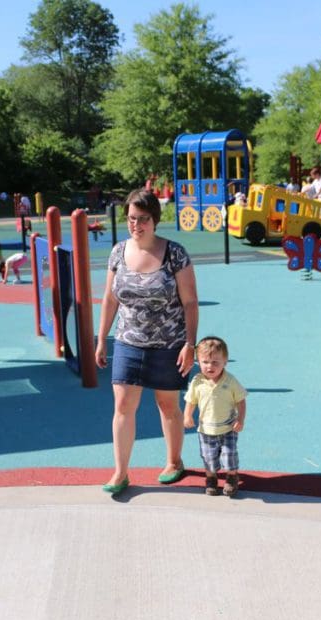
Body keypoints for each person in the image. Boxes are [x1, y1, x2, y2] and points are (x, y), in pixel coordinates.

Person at [94, 188, 199, 494]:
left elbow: (190, 303)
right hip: (129, 340)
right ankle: (120, 472)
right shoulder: (118, 252)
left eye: (142, 219)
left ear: (154, 220)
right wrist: (102, 339)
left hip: (169, 343)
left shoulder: (174, 253)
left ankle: (174, 461)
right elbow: (110, 300)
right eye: (131, 219)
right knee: (124, 404)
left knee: (167, 405)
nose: (135, 225)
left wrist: (189, 344)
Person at [183, 336, 247, 497]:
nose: (210, 366)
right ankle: (211, 479)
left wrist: (240, 419)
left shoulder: (230, 381)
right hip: (206, 429)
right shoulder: (197, 381)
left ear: (225, 362)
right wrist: (187, 416)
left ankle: (231, 477)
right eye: (205, 362)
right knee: (208, 457)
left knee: (229, 455)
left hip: (228, 428)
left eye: (215, 362)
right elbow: (191, 401)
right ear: (198, 361)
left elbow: (241, 401)